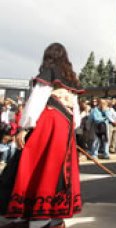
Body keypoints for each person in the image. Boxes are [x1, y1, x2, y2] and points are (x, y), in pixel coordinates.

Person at [0, 43, 84, 228]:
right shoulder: (71, 78)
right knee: (56, 170)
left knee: (32, 165)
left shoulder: (49, 70)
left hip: (49, 122)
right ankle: (50, 218)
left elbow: (37, 99)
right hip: (66, 125)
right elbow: (76, 115)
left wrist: (24, 127)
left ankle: (34, 219)